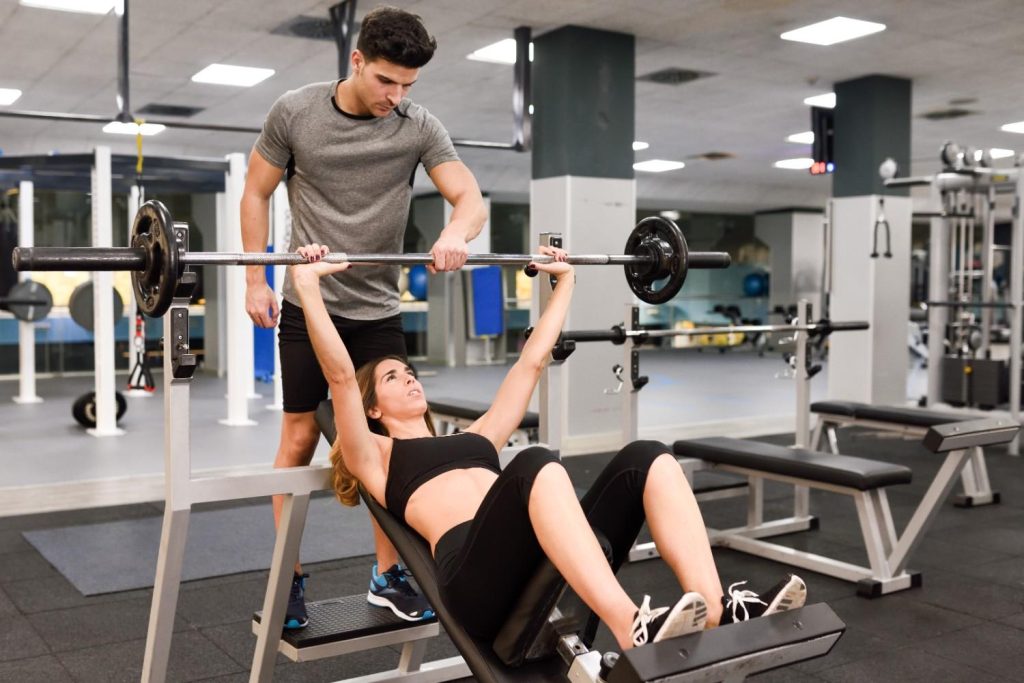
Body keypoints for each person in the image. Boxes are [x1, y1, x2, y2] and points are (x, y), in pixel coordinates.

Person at [290, 243, 808, 649]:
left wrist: (566, 282)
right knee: (538, 461)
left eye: (409, 371)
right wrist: (307, 286)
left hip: (538, 547)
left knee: (650, 457)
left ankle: (720, 608)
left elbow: (531, 363)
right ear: (372, 409)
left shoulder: (477, 438)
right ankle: (631, 626)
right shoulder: (376, 457)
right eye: (392, 378)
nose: (409, 380)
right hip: (475, 578)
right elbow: (338, 375)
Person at [241, 6, 488, 629]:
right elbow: (256, 190)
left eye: (408, 85)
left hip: (378, 307)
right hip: (309, 304)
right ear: (356, 61)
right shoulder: (295, 112)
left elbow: (469, 197)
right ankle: (287, 579)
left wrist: (457, 233)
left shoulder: (416, 124)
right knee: (299, 439)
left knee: (393, 446)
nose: (396, 96)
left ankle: (388, 574)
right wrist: (255, 278)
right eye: (386, 81)